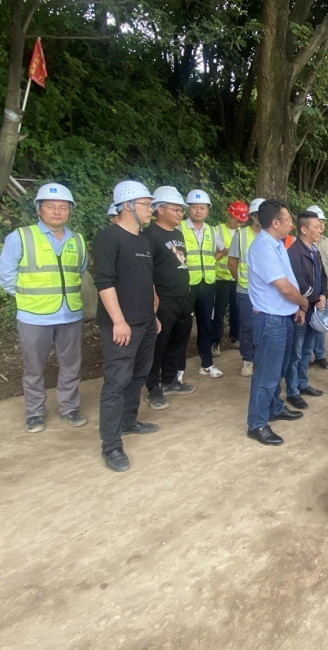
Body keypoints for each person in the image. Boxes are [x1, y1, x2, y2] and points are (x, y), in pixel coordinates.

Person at [0, 183, 87, 433]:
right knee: (34, 368)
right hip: (34, 318)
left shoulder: (77, 240)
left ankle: (69, 408)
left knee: (71, 366)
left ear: (69, 211)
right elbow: (6, 276)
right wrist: (28, 299)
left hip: (70, 315)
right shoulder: (21, 237)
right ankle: (35, 412)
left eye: (63, 207)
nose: (57, 211)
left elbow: (79, 271)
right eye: (51, 206)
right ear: (39, 210)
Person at [93, 180, 161, 473]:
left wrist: (153, 314)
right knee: (116, 382)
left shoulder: (144, 240)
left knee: (138, 374)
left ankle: (128, 421)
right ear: (127, 205)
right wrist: (118, 321)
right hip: (122, 326)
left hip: (145, 322)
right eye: (146, 204)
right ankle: (111, 445)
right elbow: (104, 282)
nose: (151, 209)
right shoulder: (108, 238)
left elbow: (147, 280)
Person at [245, 200, 310, 446]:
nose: (291, 224)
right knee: (267, 374)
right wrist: (303, 302)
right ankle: (257, 423)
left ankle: (274, 407)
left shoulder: (277, 244)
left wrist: (296, 308)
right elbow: (283, 287)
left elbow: (288, 280)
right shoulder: (263, 247)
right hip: (270, 320)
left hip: (283, 317)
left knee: (278, 370)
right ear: (275, 222)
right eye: (288, 220)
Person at [143, 186, 196, 410]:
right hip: (163, 299)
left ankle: (170, 380)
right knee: (158, 344)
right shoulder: (149, 235)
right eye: (176, 209)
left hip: (183, 296)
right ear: (160, 210)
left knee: (178, 341)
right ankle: (153, 387)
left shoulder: (177, 233)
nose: (180, 213)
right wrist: (153, 297)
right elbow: (146, 270)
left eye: (181, 210)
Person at [181, 189, 227, 378]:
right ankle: (177, 369)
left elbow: (222, 250)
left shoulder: (211, 230)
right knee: (181, 327)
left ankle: (207, 364)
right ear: (188, 209)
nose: (198, 211)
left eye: (202, 207)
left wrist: (209, 261)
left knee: (206, 324)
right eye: (194, 207)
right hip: (186, 285)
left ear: (208, 210)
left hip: (207, 284)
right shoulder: (179, 228)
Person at [285, 211, 328, 409]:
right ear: (304, 229)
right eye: (316, 227)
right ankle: (292, 391)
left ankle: (302, 384)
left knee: (306, 350)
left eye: (320, 226)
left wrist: (323, 295)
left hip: (313, 309)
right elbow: (298, 283)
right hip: (300, 309)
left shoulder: (315, 251)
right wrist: (312, 299)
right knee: (295, 352)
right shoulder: (294, 253)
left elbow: (323, 276)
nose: (320, 230)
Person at [228, 198, 263, 377]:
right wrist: (240, 280)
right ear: (253, 216)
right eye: (260, 214)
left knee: (264, 326)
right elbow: (232, 263)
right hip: (245, 289)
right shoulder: (241, 235)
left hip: (267, 292)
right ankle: (248, 359)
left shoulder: (273, 236)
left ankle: (261, 358)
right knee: (247, 326)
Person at [213, 201, 247, 355]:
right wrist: (225, 252)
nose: (239, 223)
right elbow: (212, 255)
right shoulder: (217, 231)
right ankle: (215, 342)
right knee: (219, 312)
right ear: (229, 216)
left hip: (237, 279)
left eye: (242, 221)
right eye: (237, 220)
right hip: (220, 278)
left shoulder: (244, 233)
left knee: (237, 310)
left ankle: (235, 338)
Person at [309, 205, 328, 369]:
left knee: (321, 325)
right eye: (318, 222)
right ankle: (305, 357)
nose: (321, 225)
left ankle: (320, 355)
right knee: (306, 326)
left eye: (323, 222)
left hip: (323, 292)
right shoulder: (303, 243)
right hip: (307, 292)